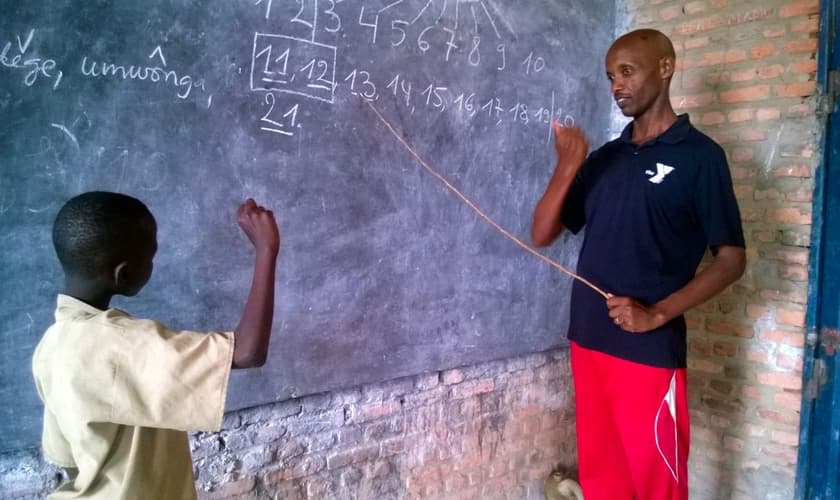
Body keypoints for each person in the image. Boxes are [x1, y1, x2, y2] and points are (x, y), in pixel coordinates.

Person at [531, 29, 746, 499]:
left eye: (627, 71)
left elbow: (731, 260)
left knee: (655, 482)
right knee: (603, 476)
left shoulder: (701, 157)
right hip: (588, 337)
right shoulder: (606, 159)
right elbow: (542, 233)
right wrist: (568, 166)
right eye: (611, 76)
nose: (617, 86)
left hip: (647, 348)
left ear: (665, 68)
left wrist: (658, 313)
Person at [32, 192, 281, 499]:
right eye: (150, 255)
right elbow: (248, 351)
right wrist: (267, 249)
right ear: (124, 273)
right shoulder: (120, 344)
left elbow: (67, 459)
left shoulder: (51, 345)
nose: (153, 262)